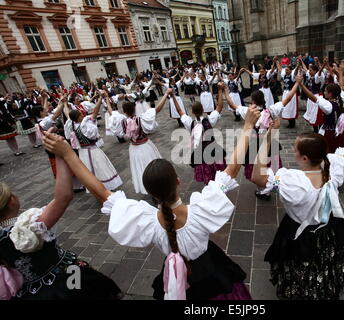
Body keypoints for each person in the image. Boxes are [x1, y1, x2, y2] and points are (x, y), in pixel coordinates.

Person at [40, 107, 264, 301]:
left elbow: (101, 192)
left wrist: (68, 154)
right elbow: (232, 168)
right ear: (177, 181)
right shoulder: (200, 209)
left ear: (150, 192)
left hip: (178, 275)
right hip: (211, 270)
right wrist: (247, 126)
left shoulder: (147, 220)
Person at [249, 101, 344, 300]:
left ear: (304, 158)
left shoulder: (294, 181)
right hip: (327, 229)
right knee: (323, 264)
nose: (293, 152)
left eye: (295, 150)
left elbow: (257, 178)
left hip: (299, 231)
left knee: (298, 267)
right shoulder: (332, 165)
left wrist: (267, 140)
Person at [0, 159, 121, 300]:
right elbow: (63, 197)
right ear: (11, 201)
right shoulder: (26, 227)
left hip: (31, 291)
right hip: (66, 279)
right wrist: (60, 155)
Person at [108, 90, 170, 195]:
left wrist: (106, 98)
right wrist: (166, 94)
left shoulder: (122, 121)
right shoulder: (141, 119)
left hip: (134, 148)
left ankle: (149, 187)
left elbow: (112, 115)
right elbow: (156, 110)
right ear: (134, 109)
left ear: (123, 111)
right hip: (145, 146)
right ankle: (157, 186)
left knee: (141, 168)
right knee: (152, 167)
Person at [64, 91, 123, 191]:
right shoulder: (85, 125)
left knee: (89, 170)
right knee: (100, 168)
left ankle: (95, 187)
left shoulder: (72, 125)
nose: (82, 114)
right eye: (80, 114)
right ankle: (104, 187)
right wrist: (100, 99)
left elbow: (67, 114)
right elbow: (95, 112)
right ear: (78, 117)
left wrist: (64, 103)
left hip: (82, 153)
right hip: (92, 150)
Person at [172, 83, 226, 185]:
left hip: (200, 152)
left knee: (206, 171)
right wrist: (219, 90)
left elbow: (180, 111)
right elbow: (219, 106)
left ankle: (209, 185)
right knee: (217, 170)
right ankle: (218, 185)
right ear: (203, 110)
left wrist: (173, 97)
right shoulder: (210, 120)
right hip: (213, 150)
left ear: (192, 112)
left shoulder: (190, 123)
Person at [275, 59, 300, 128]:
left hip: (291, 93)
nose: (286, 71)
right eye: (286, 70)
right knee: (286, 108)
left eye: (287, 70)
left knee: (291, 108)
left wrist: (298, 65)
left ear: (291, 71)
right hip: (285, 93)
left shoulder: (292, 76)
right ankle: (290, 122)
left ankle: (292, 123)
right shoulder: (284, 75)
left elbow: (295, 71)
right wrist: (277, 62)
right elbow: (280, 69)